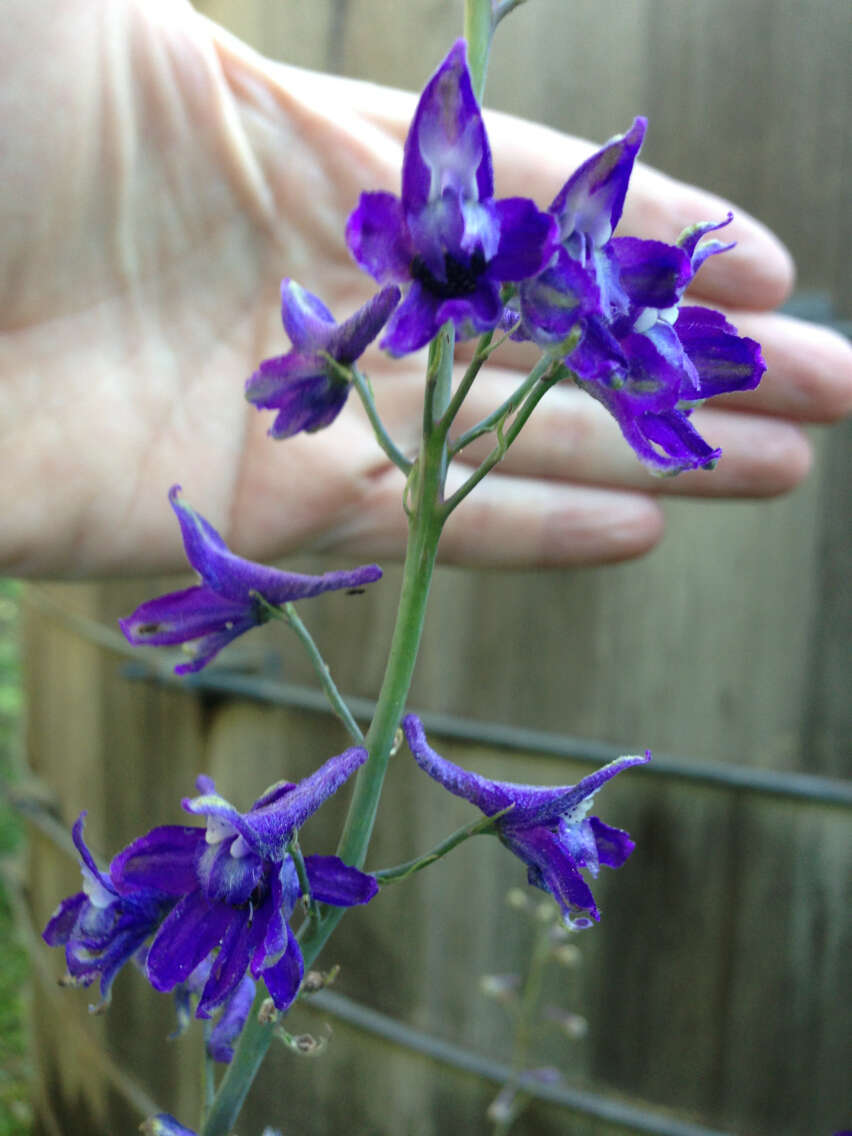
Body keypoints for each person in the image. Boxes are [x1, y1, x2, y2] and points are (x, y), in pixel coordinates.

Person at [2, 0, 850, 579]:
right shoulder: (410, 265)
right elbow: (420, 264)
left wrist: (604, 326)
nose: (449, 210)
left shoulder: (535, 259)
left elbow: (569, 254)